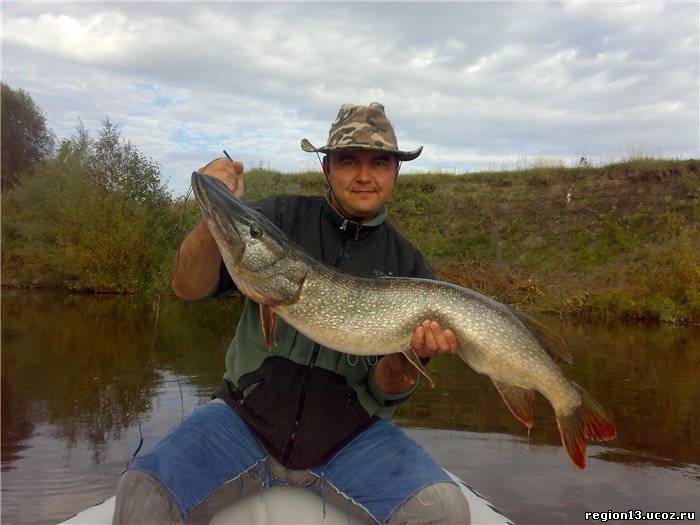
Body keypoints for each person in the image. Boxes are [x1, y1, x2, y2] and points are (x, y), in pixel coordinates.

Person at [113, 103, 470, 524]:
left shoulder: (409, 266)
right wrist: (213, 211)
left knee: (445, 511)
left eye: (379, 163)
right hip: (241, 422)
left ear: (395, 172)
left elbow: (387, 387)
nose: (363, 175)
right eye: (348, 161)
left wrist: (414, 356)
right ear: (326, 169)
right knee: (142, 492)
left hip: (352, 439)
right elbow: (187, 288)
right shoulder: (278, 218)